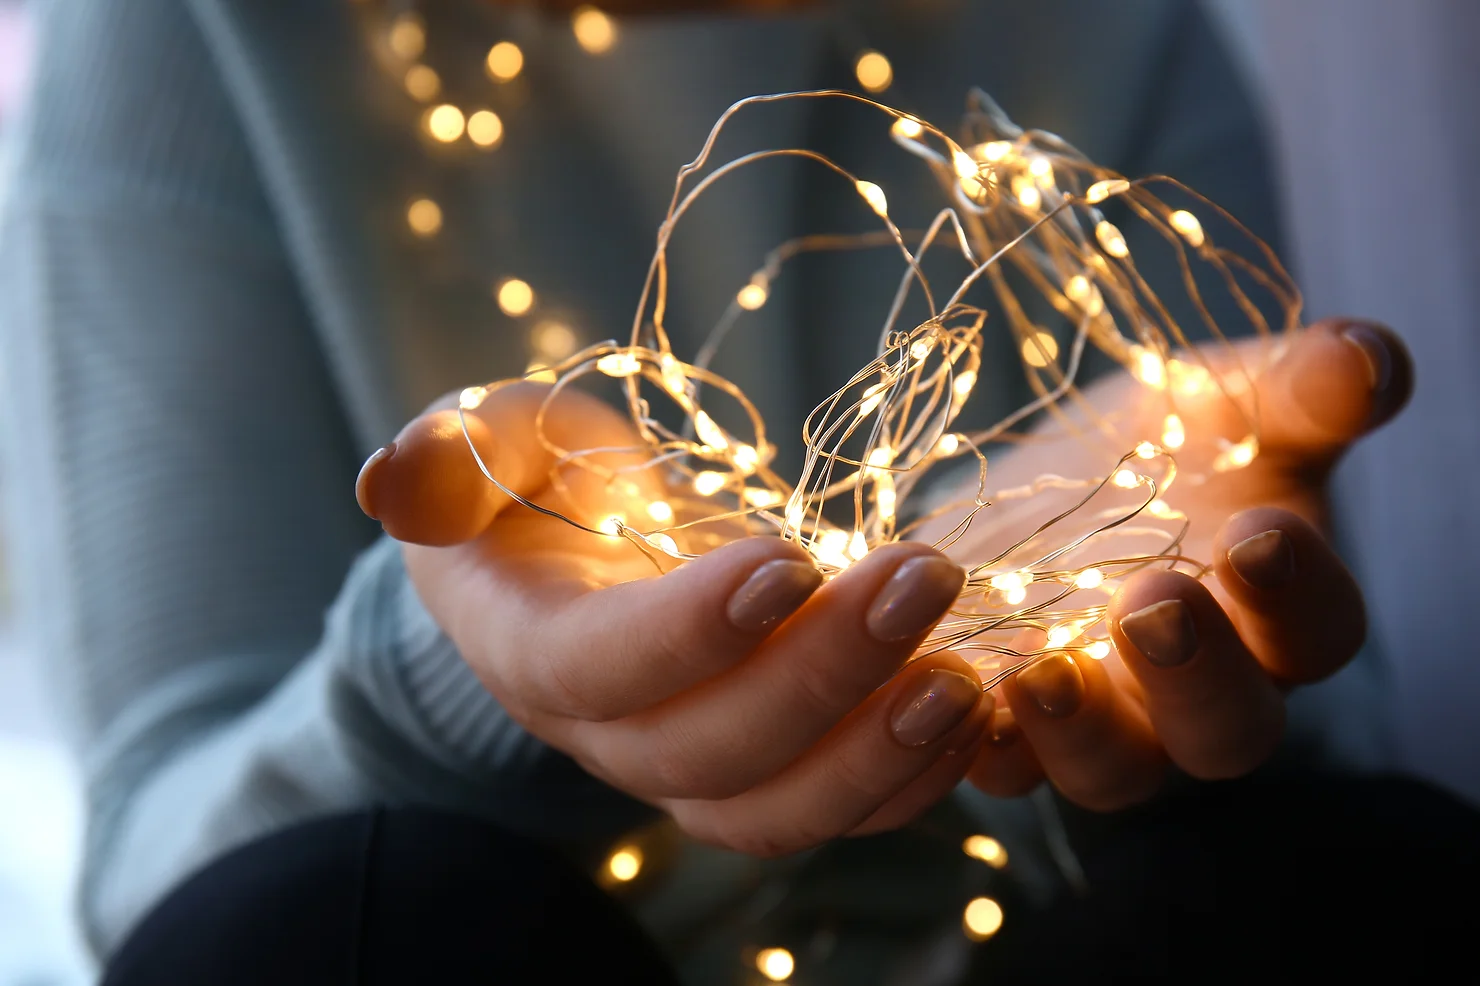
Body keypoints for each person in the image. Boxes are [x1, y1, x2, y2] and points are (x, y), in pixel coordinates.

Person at [1, 0, 1469, 983]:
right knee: (314, 937)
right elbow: (160, 881)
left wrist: (1180, 717)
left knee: (1328, 881)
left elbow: (1278, 703)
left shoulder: (1115, 28)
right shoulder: (183, 40)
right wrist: (436, 680)